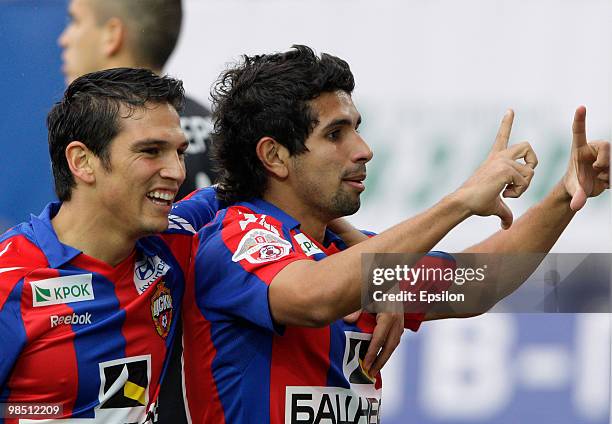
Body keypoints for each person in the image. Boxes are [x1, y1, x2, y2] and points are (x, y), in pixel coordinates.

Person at [174, 45, 609, 423]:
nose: (363, 149)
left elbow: (477, 284)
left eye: (356, 128)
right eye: (335, 134)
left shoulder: (346, 250)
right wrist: (459, 202)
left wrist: (565, 194)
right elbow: (315, 297)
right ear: (275, 155)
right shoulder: (233, 239)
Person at [0, 68, 192, 422]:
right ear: (82, 161)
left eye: (179, 152)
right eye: (151, 151)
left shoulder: (178, 241)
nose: (177, 171)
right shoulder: (9, 281)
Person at [58, 0, 216, 198]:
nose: (63, 39)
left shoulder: (103, 136)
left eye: (75, 21)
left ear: (112, 35)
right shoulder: (220, 126)